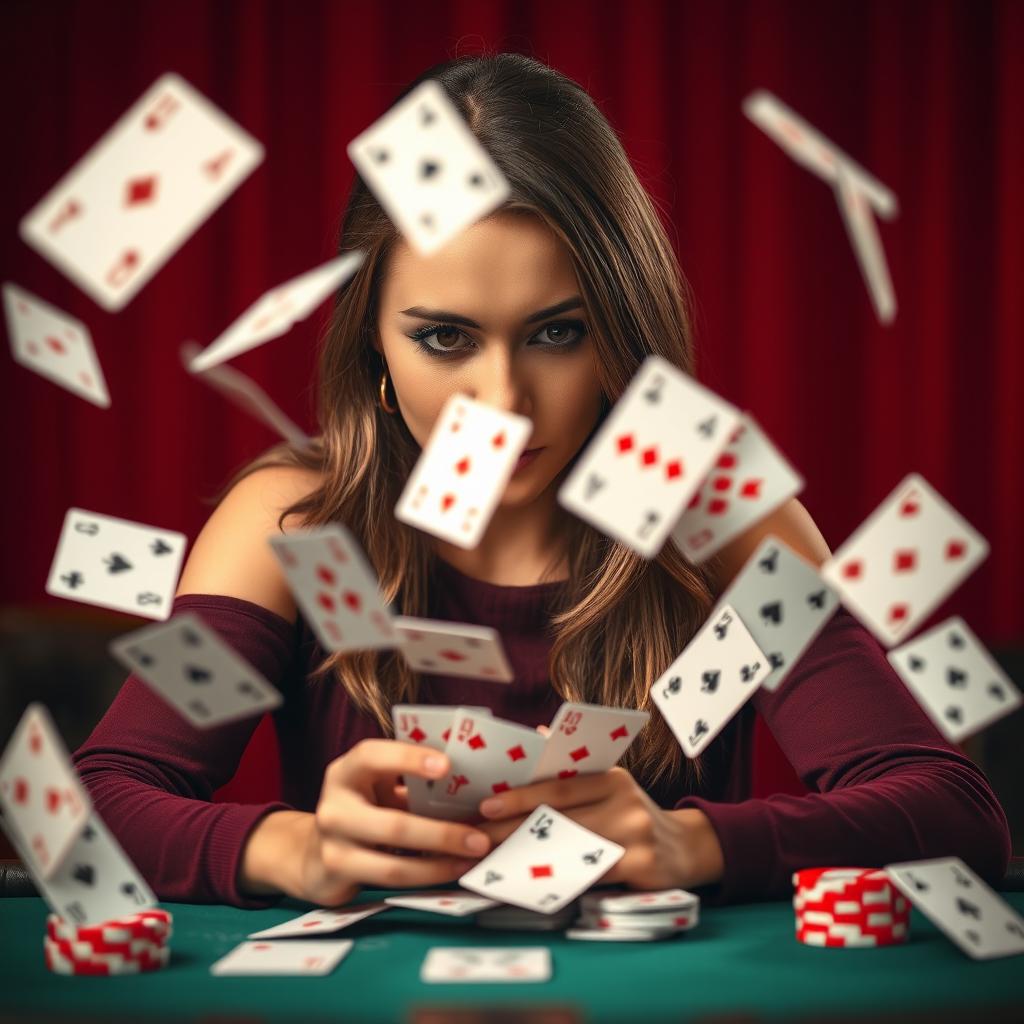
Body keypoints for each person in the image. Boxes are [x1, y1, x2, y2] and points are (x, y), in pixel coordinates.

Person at [72, 53, 1010, 910]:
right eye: (445, 337)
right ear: (373, 345)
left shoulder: (714, 505)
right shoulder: (294, 520)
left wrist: (686, 845)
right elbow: (94, 809)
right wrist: (296, 851)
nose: (504, 404)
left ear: (620, 331)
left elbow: (955, 813)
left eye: (558, 332)